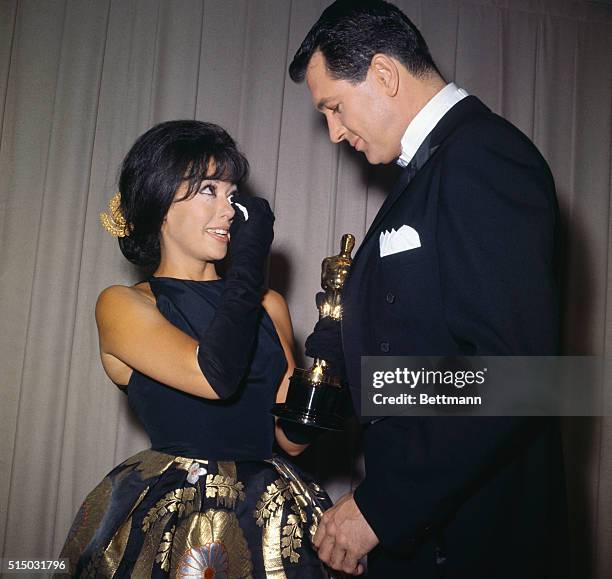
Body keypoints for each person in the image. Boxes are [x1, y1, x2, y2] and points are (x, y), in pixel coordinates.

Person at [290, 1, 568, 578]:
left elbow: (515, 373)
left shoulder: (481, 155)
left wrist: (381, 505)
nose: (334, 131)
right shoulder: (431, 168)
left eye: (334, 107)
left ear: (385, 74)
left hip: (472, 542)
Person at [58, 120, 330, 578]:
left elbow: (291, 441)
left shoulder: (268, 305)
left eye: (232, 193)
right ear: (161, 202)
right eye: (209, 190)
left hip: (271, 509)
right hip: (175, 514)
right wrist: (249, 263)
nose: (230, 210)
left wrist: (328, 364)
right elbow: (213, 376)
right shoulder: (125, 304)